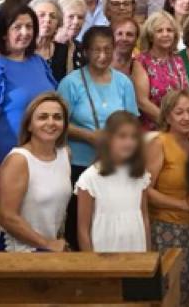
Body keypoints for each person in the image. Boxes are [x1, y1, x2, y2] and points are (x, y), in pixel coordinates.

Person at [58, 25, 139, 246]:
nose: (102, 56)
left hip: (115, 164)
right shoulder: (71, 83)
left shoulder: (123, 82)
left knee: (111, 223)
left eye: (107, 49)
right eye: (96, 50)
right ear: (86, 52)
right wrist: (88, 135)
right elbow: (58, 123)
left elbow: (132, 122)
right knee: (81, 225)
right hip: (81, 164)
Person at [0, 5, 56, 178]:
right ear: (4, 32)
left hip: (43, 153)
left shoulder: (38, 62)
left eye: (29, 26)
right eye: (17, 27)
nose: (25, 32)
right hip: (6, 154)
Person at [0, 92, 72, 252]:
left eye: (57, 117)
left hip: (48, 245)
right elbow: (6, 217)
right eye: (43, 117)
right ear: (29, 125)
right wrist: (47, 244)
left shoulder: (65, 154)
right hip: (13, 249)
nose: (51, 122)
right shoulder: (18, 160)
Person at [147, 88, 189, 306]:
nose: (186, 117)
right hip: (165, 227)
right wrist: (183, 204)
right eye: (179, 112)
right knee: (168, 289)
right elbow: (146, 191)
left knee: (186, 288)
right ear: (167, 115)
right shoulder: (159, 142)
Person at [75, 110, 151, 253]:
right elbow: (83, 229)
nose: (128, 142)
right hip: (105, 250)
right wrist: (91, 263)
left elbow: (144, 216)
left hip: (136, 247)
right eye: (122, 136)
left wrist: (148, 254)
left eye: (133, 137)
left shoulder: (140, 174)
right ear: (109, 139)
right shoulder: (91, 177)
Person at [132, 11, 189, 130]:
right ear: (150, 35)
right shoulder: (141, 61)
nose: (165, 34)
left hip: (180, 127)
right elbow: (142, 102)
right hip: (155, 129)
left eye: (169, 30)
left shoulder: (178, 60)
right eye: (159, 31)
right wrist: (170, 123)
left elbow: (187, 93)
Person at [30, 0, 73, 82]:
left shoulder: (64, 51)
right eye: (41, 15)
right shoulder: (21, 51)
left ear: (58, 23)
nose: (47, 20)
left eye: (53, 16)